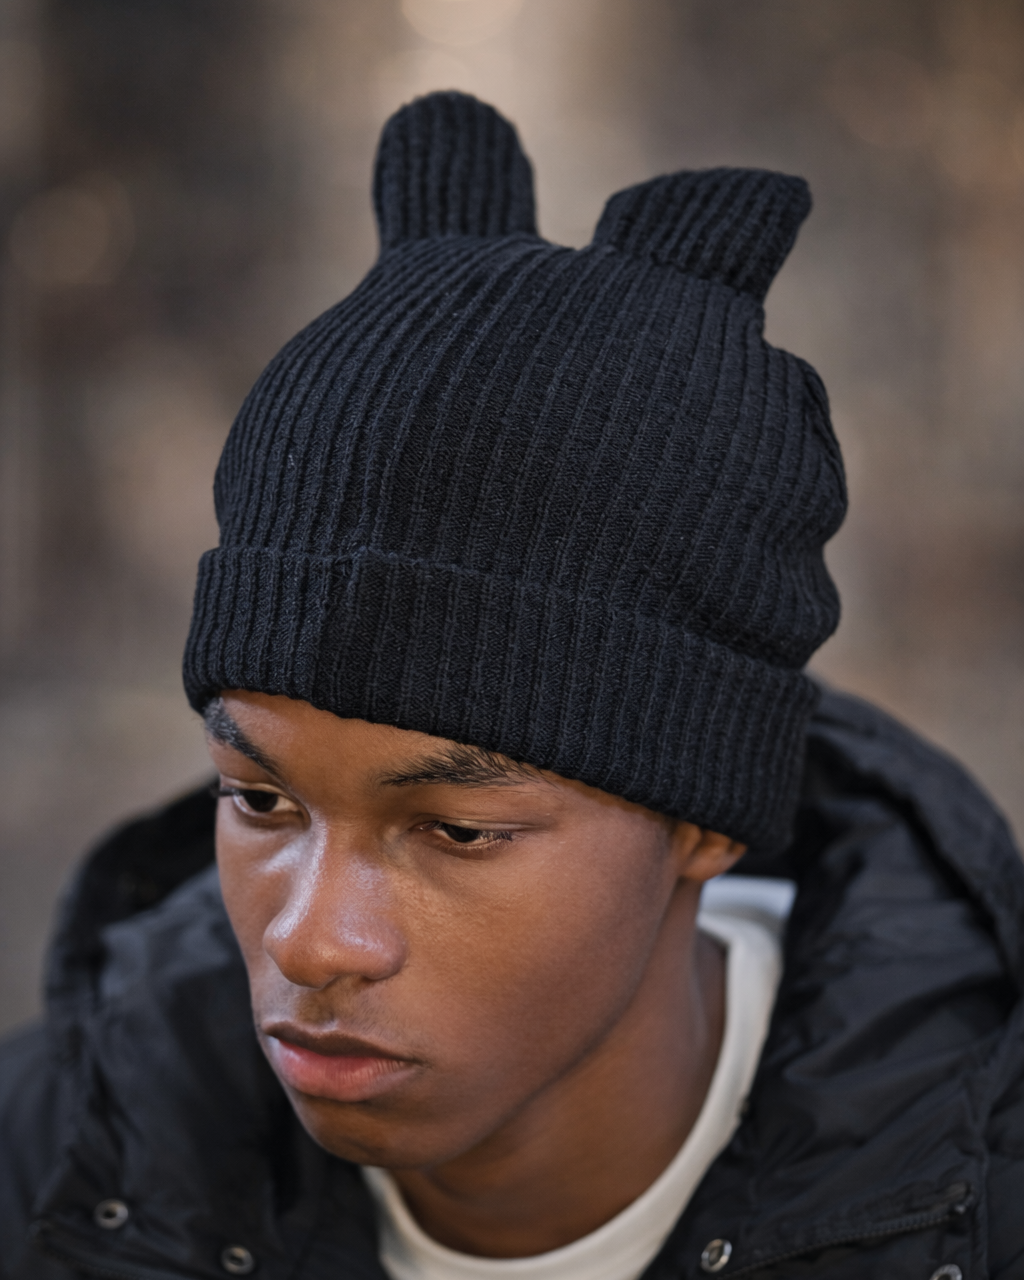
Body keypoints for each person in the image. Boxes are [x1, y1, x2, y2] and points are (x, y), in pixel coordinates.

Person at [1, 92, 1021, 1280]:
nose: (312, 937)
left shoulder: (988, 1198)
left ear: (701, 823)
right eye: (262, 800)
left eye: (456, 827)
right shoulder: (48, 1159)